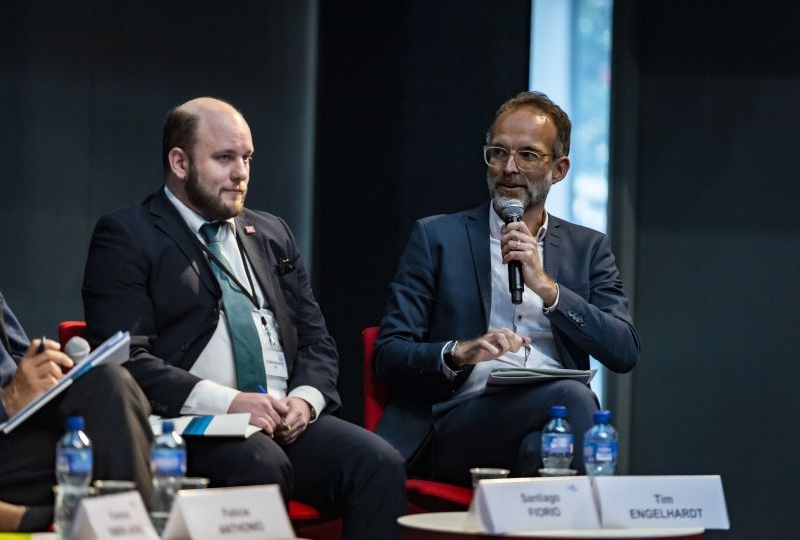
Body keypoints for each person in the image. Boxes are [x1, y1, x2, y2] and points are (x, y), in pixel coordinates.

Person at [81, 97, 406, 539]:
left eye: (247, 158)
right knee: (259, 460)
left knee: (379, 463)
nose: (241, 173)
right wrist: (230, 403)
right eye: (224, 158)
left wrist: (305, 401)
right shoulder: (127, 236)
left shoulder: (271, 233)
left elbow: (316, 341)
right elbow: (127, 360)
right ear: (179, 161)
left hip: (281, 418)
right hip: (189, 425)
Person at [373, 91, 640, 486]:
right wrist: (460, 352)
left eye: (528, 155)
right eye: (498, 152)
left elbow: (624, 350)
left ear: (560, 169)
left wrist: (549, 290)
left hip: (555, 425)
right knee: (573, 400)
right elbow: (389, 353)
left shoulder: (589, 248)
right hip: (463, 419)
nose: (509, 168)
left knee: (545, 449)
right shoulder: (437, 237)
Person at [0, 291, 152, 532]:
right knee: (108, 431)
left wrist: (46, 377)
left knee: (109, 383)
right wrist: (8, 401)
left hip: (20, 424)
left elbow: (19, 358)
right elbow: (11, 393)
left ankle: (128, 528)